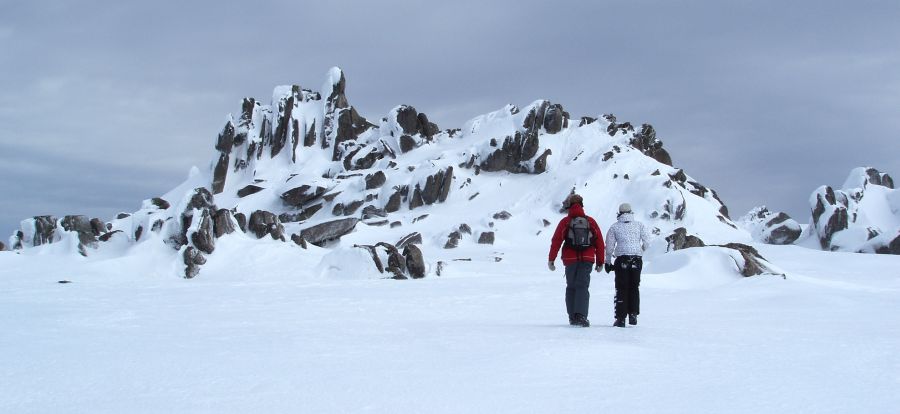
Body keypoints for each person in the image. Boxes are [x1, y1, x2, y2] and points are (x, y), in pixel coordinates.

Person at [548, 194, 605, 327]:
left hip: (570, 259)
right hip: (587, 258)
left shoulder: (565, 222)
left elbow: (556, 241)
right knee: (583, 287)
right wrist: (600, 261)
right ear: (582, 205)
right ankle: (581, 316)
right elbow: (600, 243)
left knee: (571, 287)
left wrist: (551, 259)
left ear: (569, 206)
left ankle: (573, 317)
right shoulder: (590, 221)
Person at [604, 203, 651, 327]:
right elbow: (647, 242)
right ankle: (633, 315)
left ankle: (620, 318)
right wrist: (639, 250)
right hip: (636, 259)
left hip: (621, 260)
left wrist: (607, 262)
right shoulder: (639, 225)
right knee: (634, 287)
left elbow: (609, 247)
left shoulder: (614, 227)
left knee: (621, 288)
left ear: (619, 213)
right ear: (631, 212)